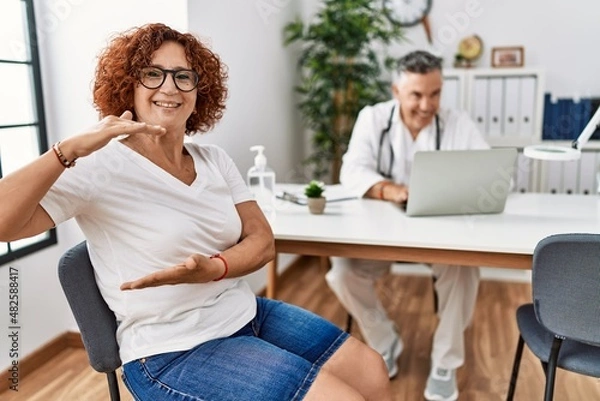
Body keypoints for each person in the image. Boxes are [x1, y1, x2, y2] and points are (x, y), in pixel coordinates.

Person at [0, 23, 392, 401]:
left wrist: (215, 268)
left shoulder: (214, 159)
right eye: (152, 74)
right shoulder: (97, 165)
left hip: (245, 313)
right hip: (171, 350)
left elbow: (262, 241)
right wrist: (67, 150)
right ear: (129, 87)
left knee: (372, 370)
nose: (169, 87)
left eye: (183, 77)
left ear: (198, 91)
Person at [325, 50, 489, 401]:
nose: (427, 105)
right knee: (342, 272)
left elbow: (485, 170)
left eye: (435, 93)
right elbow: (351, 170)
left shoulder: (457, 123)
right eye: (416, 94)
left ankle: (445, 362)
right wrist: (389, 189)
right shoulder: (373, 118)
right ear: (396, 90)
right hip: (381, 237)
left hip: (440, 236)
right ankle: (386, 340)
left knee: (463, 270)